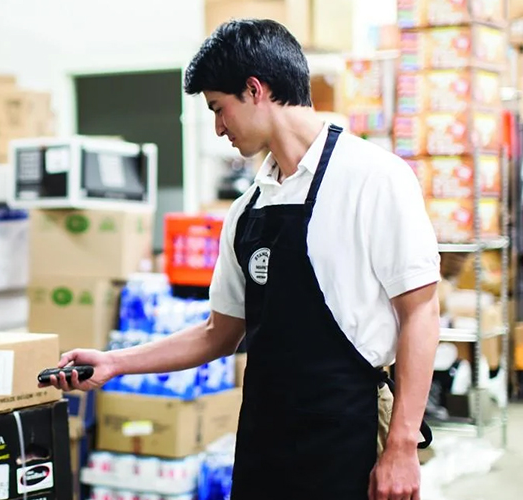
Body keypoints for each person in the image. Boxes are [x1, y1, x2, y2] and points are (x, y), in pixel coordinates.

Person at [39, 19, 441, 500]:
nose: (218, 127)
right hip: (264, 436)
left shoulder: (374, 178)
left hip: (348, 432)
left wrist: (401, 446)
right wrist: (113, 362)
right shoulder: (248, 209)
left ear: (255, 89)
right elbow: (219, 332)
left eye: (219, 108)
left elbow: (420, 310)